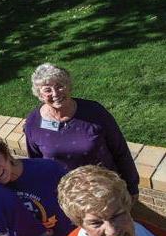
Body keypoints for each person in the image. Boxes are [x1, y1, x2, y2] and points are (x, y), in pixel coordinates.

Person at [25, 63, 139, 198]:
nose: (55, 93)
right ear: (39, 94)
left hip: (106, 190)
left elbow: (120, 150)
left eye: (60, 86)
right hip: (69, 197)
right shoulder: (33, 123)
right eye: (47, 90)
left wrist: (131, 187)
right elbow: (38, 165)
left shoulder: (94, 111)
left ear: (68, 86)